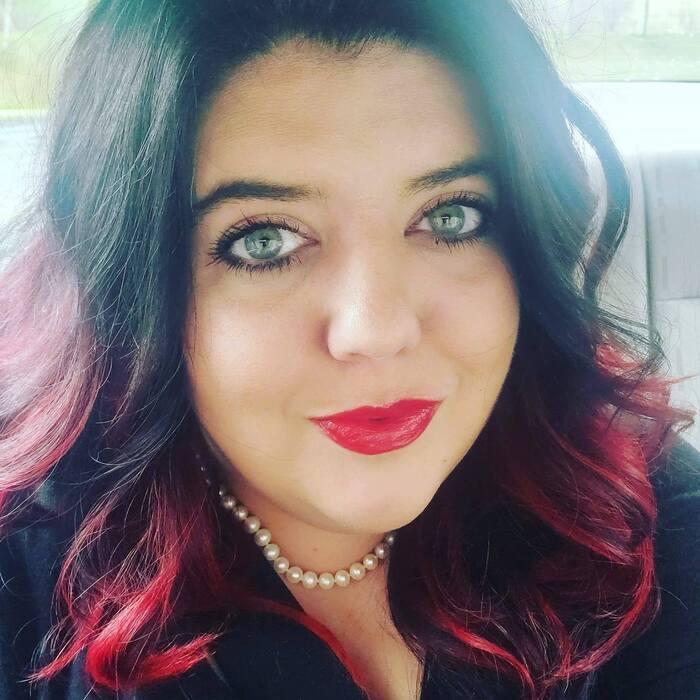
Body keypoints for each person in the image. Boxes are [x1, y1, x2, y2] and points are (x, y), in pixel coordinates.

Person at [0, 1, 698, 698]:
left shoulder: (631, 503)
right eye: (264, 241)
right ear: (129, 286)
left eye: (451, 217)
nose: (378, 330)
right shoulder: (23, 581)